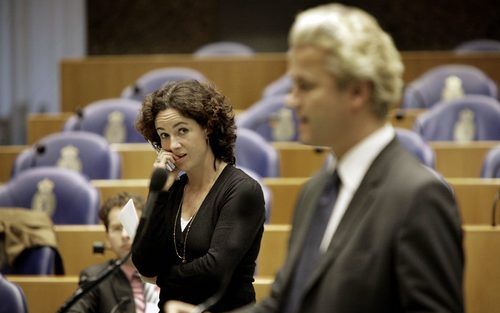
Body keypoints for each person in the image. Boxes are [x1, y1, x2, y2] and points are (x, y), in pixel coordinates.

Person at [166, 3, 464, 313]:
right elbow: (285, 304)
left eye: (305, 86)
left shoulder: (419, 196)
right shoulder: (315, 191)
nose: (291, 100)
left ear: (358, 92)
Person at [131, 80, 266, 312]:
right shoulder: (172, 190)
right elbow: (144, 263)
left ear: (207, 128)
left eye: (182, 130)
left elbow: (214, 271)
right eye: (164, 135)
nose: (172, 144)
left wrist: (162, 278)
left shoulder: (242, 190)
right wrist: (159, 193)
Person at [67, 192, 160, 313]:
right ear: (107, 239)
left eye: (130, 225)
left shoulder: (171, 270)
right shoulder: (96, 278)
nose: (124, 235)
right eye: (117, 228)